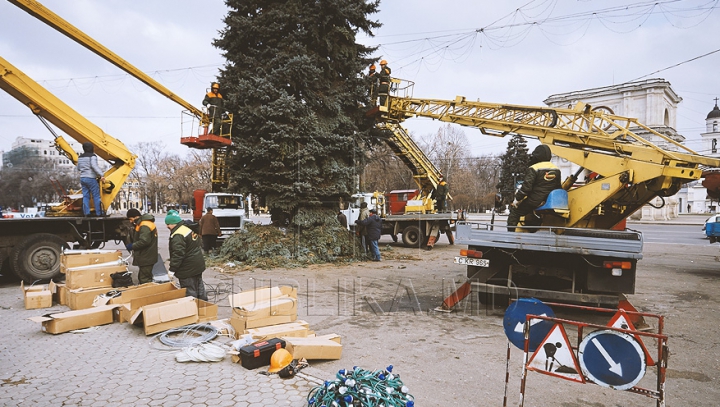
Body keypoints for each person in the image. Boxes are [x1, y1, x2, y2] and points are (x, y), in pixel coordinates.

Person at [507, 144, 561, 232]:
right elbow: (558, 187)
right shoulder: (556, 169)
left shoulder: (534, 168)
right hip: (549, 200)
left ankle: (510, 235)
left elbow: (526, 188)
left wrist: (517, 199)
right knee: (532, 210)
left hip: (535, 200)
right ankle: (533, 228)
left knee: (515, 212)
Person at [165, 211, 208, 300]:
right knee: (199, 287)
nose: (167, 226)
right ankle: (204, 307)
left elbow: (178, 254)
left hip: (187, 268)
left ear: (174, 223)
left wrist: (172, 269)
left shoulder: (178, 235)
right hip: (197, 264)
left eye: (168, 224)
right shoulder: (187, 229)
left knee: (189, 291)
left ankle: (192, 310)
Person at [125, 208, 158, 284]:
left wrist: (132, 246)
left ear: (135, 217)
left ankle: (147, 293)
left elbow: (144, 241)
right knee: (145, 276)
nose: (130, 221)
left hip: (146, 257)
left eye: (131, 219)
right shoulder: (143, 223)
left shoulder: (144, 225)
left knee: (144, 279)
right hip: (147, 256)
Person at [77, 142, 105, 217]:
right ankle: (98, 213)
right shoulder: (93, 156)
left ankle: (87, 213)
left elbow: (78, 168)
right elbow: (94, 166)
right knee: (96, 195)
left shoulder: (80, 157)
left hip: (83, 178)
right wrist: (101, 175)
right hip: (91, 178)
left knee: (86, 196)